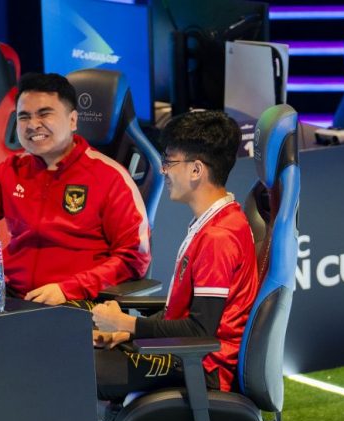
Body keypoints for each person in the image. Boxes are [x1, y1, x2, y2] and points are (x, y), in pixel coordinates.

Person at [0, 73, 150, 305]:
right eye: (24, 116)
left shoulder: (110, 177)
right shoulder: (10, 171)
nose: (33, 125)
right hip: (13, 300)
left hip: (77, 304)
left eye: (45, 114)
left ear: (72, 120)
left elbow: (133, 258)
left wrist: (69, 289)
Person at [92, 110, 258, 400]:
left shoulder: (219, 237)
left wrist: (125, 323)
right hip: (185, 356)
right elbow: (180, 314)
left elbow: (200, 330)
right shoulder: (215, 222)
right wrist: (127, 334)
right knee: (78, 357)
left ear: (196, 170)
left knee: (76, 368)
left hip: (202, 368)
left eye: (169, 161)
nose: (163, 170)